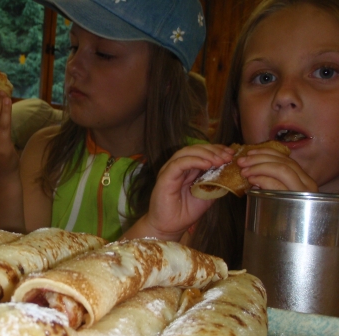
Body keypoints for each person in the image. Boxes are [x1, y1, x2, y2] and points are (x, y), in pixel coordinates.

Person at [0, 0, 207, 241]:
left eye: (104, 54)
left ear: (165, 81)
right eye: (74, 47)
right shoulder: (45, 153)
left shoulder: (195, 175)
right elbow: (9, 262)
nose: (73, 66)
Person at [124, 0, 339, 268]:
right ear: (236, 113)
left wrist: (307, 235)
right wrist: (159, 230)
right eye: (265, 78)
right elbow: (109, 285)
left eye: (325, 72)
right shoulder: (202, 220)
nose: (284, 95)